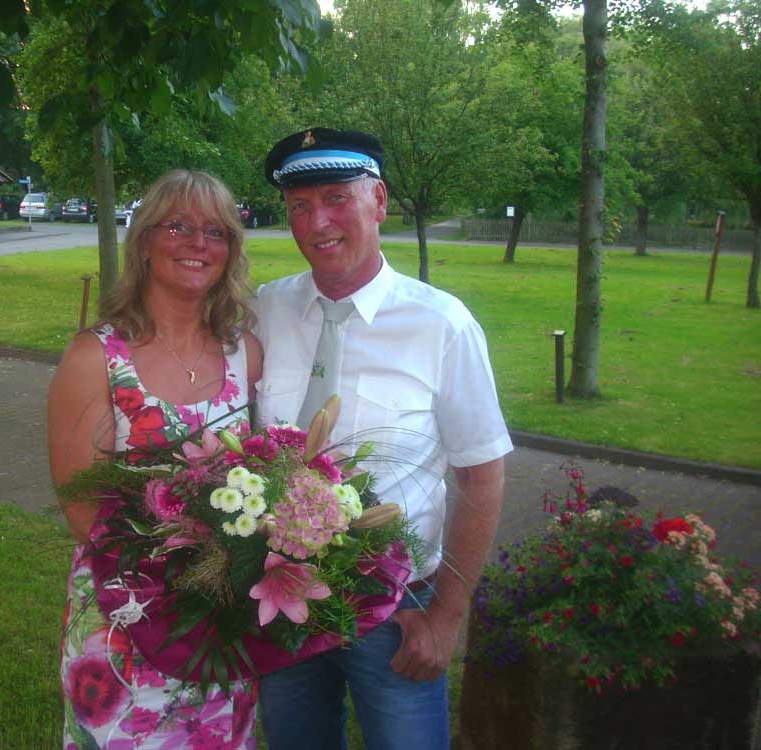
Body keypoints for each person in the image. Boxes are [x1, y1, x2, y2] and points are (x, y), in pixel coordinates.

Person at [252, 128, 513, 749]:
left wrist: (447, 616)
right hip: (282, 599)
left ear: (380, 200)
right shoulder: (267, 309)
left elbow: (481, 475)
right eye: (299, 205)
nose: (318, 221)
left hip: (397, 611)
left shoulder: (441, 325)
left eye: (337, 198)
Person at [47, 169, 263, 749]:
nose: (198, 243)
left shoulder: (245, 354)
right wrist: (184, 578)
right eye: (178, 227)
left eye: (216, 232)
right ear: (144, 241)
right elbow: (83, 514)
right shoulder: (95, 358)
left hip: (222, 626)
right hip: (124, 625)